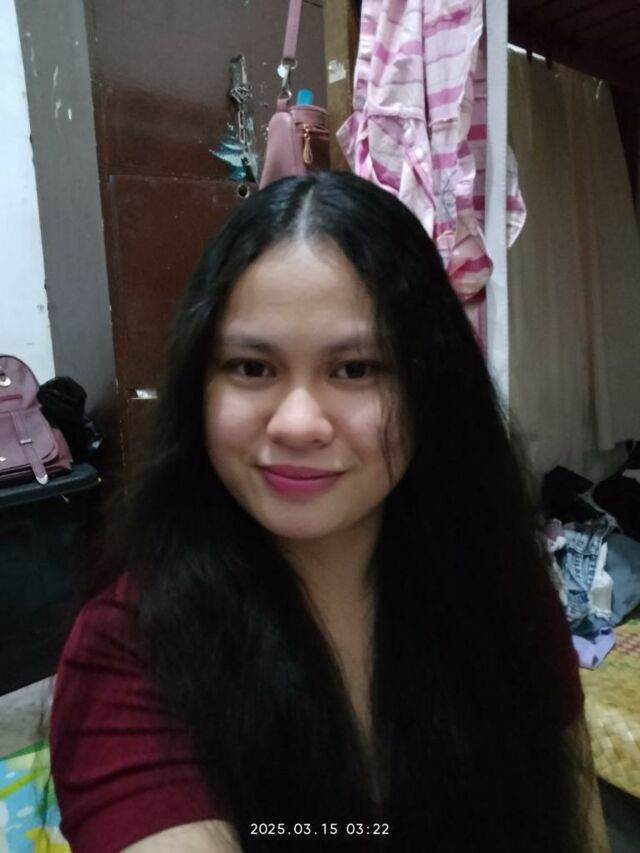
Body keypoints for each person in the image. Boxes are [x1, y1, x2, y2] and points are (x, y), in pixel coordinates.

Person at [50, 172, 609, 852]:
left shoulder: (502, 592)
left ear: (430, 387)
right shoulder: (130, 647)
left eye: (355, 369)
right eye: (252, 367)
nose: (298, 423)